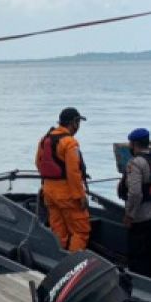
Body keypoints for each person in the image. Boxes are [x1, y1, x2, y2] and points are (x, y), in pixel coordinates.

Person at [35, 107, 90, 251]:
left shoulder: (45, 139)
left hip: (48, 192)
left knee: (58, 231)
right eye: (78, 122)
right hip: (67, 195)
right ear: (74, 122)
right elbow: (73, 172)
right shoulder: (70, 143)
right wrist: (80, 196)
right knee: (80, 231)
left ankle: (58, 259)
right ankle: (73, 264)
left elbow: (39, 163)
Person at [119, 128, 151, 276]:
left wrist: (129, 215)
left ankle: (140, 283)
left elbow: (135, 194)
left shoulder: (135, 164)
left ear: (134, 144)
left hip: (141, 219)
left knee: (138, 256)